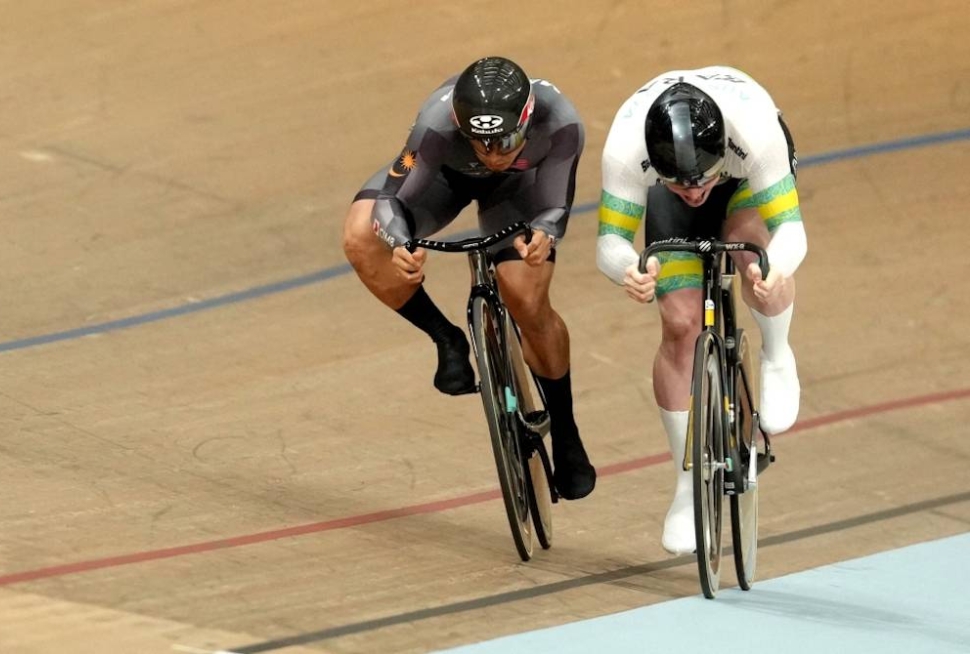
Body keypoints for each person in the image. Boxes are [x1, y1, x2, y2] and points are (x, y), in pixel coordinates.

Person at [343, 56, 596, 500]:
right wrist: (401, 243)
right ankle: (447, 338)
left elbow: (555, 203)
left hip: (520, 192)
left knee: (525, 298)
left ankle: (567, 430)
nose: (495, 155)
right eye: (481, 144)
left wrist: (544, 232)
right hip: (444, 182)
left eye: (505, 141)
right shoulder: (435, 125)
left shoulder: (561, 121)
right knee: (362, 235)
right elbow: (391, 199)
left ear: (527, 119)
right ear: (461, 126)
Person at [596, 66, 806, 553]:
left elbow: (794, 233)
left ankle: (777, 355)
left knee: (753, 257)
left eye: (700, 179)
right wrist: (630, 269)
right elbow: (610, 243)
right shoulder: (628, 150)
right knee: (680, 322)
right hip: (675, 191)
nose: (693, 191)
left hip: (744, 184)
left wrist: (774, 270)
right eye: (680, 182)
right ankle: (688, 482)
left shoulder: (754, 133)